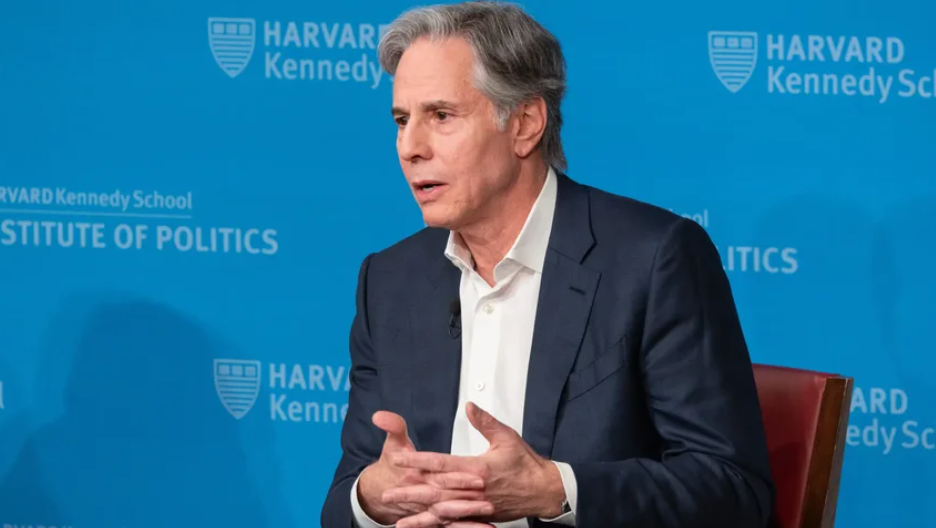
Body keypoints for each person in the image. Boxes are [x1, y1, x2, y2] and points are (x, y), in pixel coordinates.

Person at [321, 2, 775, 527]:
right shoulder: (389, 279)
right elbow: (344, 501)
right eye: (402, 120)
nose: (410, 147)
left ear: (525, 124)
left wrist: (555, 491)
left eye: (441, 116)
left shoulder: (653, 260)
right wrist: (375, 498)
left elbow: (732, 490)